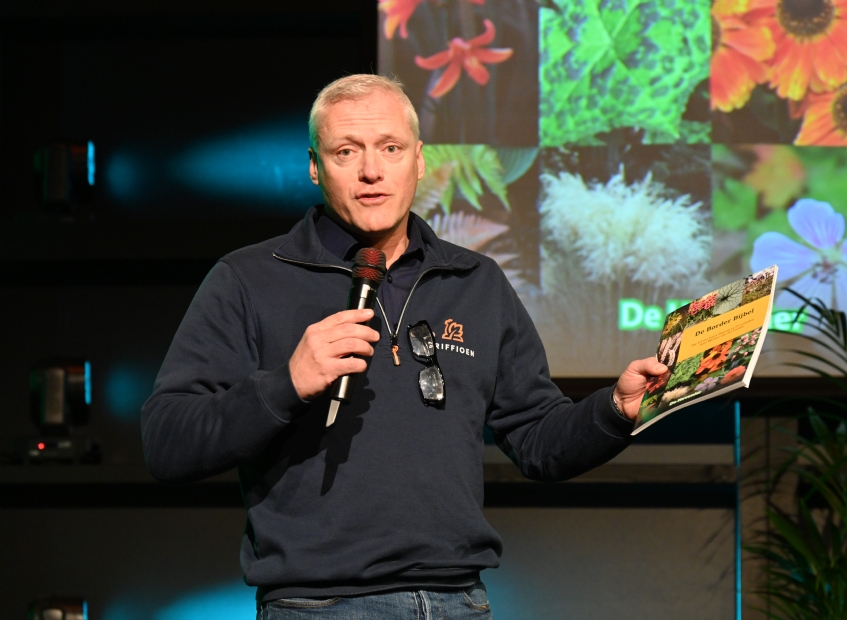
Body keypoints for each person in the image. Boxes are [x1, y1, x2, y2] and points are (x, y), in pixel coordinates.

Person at [141, 74, 668, 619]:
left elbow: (538, 440)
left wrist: (616, 409)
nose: (371, 170)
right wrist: (286, 385)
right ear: (315, 166)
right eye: (347, 152)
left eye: (390, 148)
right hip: (320, 605)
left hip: (459, 601)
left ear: (418, 160)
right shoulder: (250, 279)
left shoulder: (475, 281)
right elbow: (166, 442)